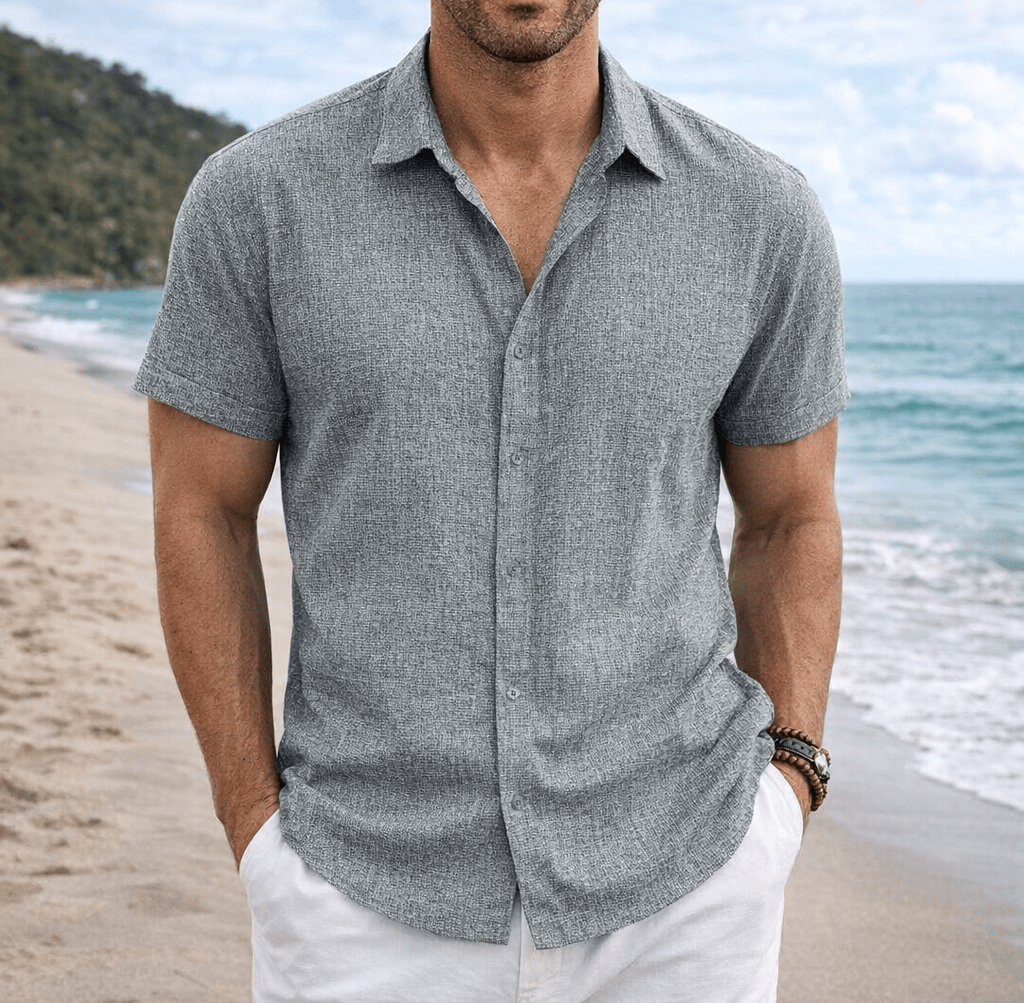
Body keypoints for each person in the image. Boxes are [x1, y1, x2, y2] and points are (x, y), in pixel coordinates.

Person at [135, 1, 847, 1000]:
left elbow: (791, 516)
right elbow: (200, 510)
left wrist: (790, 783)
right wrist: (254, 824)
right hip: (358, 897)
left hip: (686, 893)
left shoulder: (758, 213)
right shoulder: (259, 200)